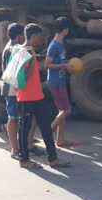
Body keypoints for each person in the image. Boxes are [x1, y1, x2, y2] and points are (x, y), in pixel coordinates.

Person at [17, 23, 69, 170]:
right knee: (24, 129)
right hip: (26, 96)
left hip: (36, 95)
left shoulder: (29, 50)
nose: (42, 38)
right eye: (40, 35)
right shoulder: (24, 51)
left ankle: (53, 159)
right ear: (34, 36)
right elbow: (22, 78)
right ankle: (24, 160)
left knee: (46, 127)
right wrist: (34, 65)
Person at [2, 23, 42, 159]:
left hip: (18, 88)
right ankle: (14, 150)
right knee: (13, 119)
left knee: (25, 119)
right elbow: (14, 73)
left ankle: (28, 145)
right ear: (19, 36)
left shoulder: (17, 48)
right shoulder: (11, 50)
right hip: (12, 89)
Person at [45, 16, 78, 147]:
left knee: (62, 111)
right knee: (67, 111)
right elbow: (47, 65)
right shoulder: (54, 46)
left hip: (60, 80)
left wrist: (68, 65)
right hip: (55, 82)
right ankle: (48, 132)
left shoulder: (61, 43)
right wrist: (64, 66)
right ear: (65, 30)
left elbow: (60, 62)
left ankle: (60, 140)